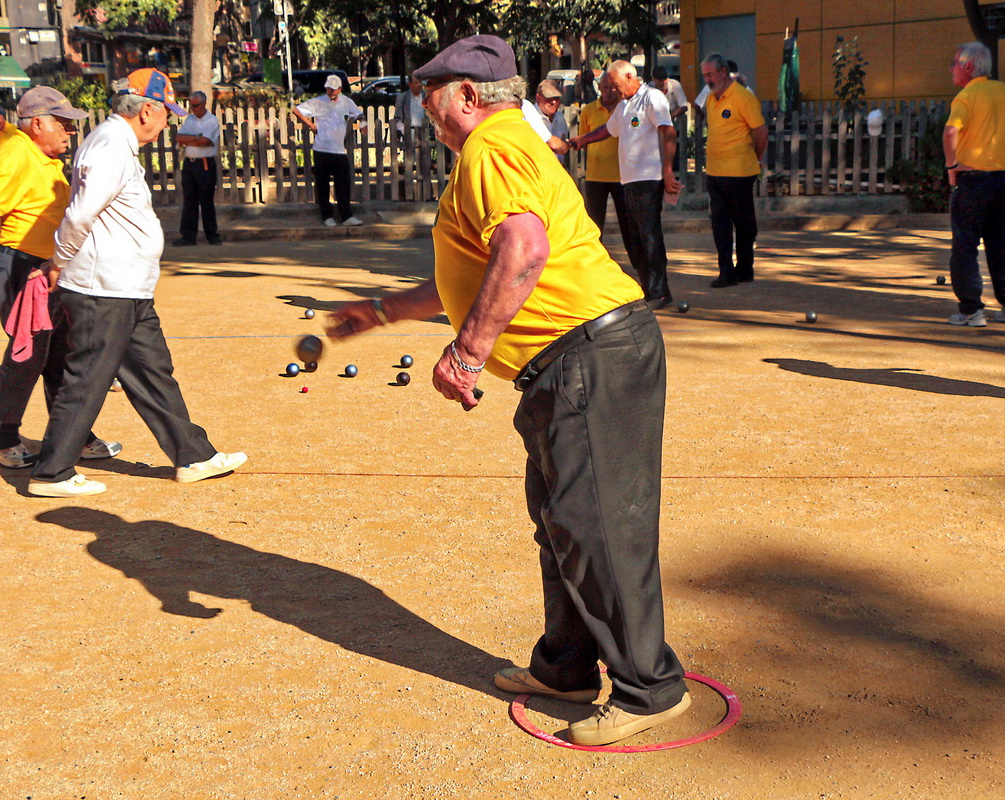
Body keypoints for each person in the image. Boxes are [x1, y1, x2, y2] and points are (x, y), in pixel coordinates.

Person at [325, 34, 690, 747]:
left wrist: (466, 356)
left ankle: (650, 688)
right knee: (561, 520)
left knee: (594, 526)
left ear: (466, 95)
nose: (422, 110)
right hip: (575, 359)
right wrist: (380, 311)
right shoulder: (501, 149)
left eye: (428, 95)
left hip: (589, 353)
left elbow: (523, 250)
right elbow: (473, 272)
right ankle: (565, 668)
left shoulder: (492, 147)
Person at [28, 69, 246, 497]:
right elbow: (79, 215)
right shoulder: (110, 146)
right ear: (146, 109)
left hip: (127, 287)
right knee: (88, 376)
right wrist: (58, 261)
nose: (169, 121)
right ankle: (51, 473)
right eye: (166, 112)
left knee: (152, 371)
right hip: (102, 287)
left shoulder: (117, 145)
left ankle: (193, 456)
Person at [0, 86, 121, 470]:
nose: (69, 131)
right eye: (63, 123)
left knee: (62, 353)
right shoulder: (16, 154)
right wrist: (3, 243)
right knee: (28, 352)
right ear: (37, 123)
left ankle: (73, 435)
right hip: (23, 265)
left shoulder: (43, 158)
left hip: (48, 266)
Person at [570, 60, 681, 308]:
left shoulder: (652, 98)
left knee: (649, 236)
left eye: (616, 85)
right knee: (634, 238)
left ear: (630, 77)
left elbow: (668, 131)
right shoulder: (624, 106)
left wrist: (668, 170)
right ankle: (647, 288)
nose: (614, 90)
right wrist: (582, 140)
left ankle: (660, 291)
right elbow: (608, 130)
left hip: (648, 180)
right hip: (627, 180)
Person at [944, 41, 1005, 326]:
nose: (951, 69)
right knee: (999, 242)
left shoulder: (966, 96)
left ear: (968, 67)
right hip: (1001, 179)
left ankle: (972, 310)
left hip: (973, 179)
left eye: (955, 63)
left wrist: (951, 167)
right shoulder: (1004, 91)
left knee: (966, 244)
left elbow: (949, 132)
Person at [700, 53, 767, 288]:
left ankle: (745, 268)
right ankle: (726, 272)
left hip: (739, 172)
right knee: (720, 224)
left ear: (722, 72)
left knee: (743, 224)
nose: (707, 79)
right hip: (715, 172)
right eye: (704, 75)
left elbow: (760, 132)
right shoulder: (711, 98)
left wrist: (755, 157)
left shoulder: (742, 96)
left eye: (710, 74)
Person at [293, 74, 367, 227]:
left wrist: (363, 123)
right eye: (328, 88)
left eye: (333, 89)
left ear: (339, 89)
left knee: (343, 184)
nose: (330, 91)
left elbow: (358, 113)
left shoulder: (346, 102)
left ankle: (346, 216)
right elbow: (296, 110)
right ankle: (327, 216)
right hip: (321, 149)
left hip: (339, 150)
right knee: (323, 185)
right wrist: (311, 125)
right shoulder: (318, 102)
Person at [172, 91, 222, 247]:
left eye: (196, 105)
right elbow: (179, 138)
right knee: (189, 201)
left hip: (205, 163)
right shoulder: (189, 120)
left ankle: (212, 235)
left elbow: (207, 141)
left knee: (206, 201)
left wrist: (189, 140)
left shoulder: (212, 121)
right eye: (192, 106)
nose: (194, 109)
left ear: (204, 104)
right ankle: (188, 236)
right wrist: (196, 138)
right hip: (189, 163)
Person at [577, 73, 623, 238]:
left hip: (622, 176)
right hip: (596, 176)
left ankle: (638, 262)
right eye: (605, 87)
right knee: (595, 226)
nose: (609, 91)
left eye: (612, 87)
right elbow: (584, 141)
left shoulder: (625, 108)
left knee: (628, 225)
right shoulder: (588, 111)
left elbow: (636, 125)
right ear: (599, 88)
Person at [531, 79, 569, 162]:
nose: (554, 102)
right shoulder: (530, 117)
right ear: (538, 98)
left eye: (557, 98)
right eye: (549, 98)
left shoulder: (560, 117)